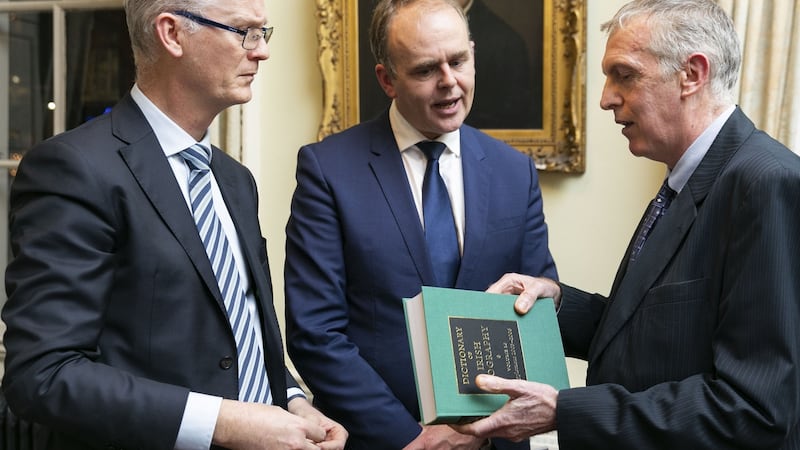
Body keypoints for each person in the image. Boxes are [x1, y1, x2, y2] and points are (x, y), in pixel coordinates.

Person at [454, 1, 800, 449]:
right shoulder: (685, 178)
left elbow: (754, 408)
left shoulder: (766, 182)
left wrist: (565, 411)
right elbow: (654, 335)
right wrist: (556, 304)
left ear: (692, 74)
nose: (605, 98)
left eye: (625, 75)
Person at [1, 0, 347, 449]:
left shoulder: (234, 180)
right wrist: (226, 423)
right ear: (171, 34)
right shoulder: (75, 169)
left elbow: (236, 331)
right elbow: (42, 375)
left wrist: (295, 401)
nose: (260, 51)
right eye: (244, 31)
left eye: (263, 33)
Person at [284, 1, 556, 449]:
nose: (450, 82)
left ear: (473, 53)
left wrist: (488, 430)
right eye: (427, 69)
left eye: (459, 61)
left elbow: (534, 305)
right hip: (383, 440)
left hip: (494, 441)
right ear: (387, 79)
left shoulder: (515, 171)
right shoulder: (328, 171)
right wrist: (413, 439)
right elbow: (316, 332)